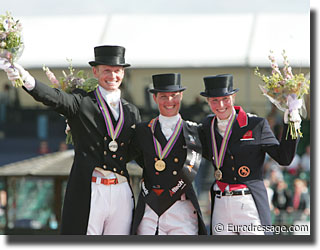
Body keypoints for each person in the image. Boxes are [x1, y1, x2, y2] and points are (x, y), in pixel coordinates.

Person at [0, 45, 141, 235]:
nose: (112, 76)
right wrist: (25, 79)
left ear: (123, 72)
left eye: (117, 71)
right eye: (107, 70)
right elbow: (54, 98)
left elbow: (135, 150)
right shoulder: (81, 102)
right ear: (95, 71)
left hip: (121, 189)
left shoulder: (132, 111)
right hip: (92, 188)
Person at [198, 74, 299, 235]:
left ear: (233, 96)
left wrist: (291, 124)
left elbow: (284, 158)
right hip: (220, 202)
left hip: (248, 201)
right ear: (208, 101)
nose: (221, 104)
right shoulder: (206, 126)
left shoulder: (256, 124)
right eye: (214, 100)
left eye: (225, 98)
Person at [130, 73, 207, 235]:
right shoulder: (143, 131)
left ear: (181, 96)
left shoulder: (194, 131)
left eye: (174, 96)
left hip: (183, 209)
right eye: (163, 96)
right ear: (155, 98)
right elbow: (138, 158)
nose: (169, 101)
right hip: (151, 208)